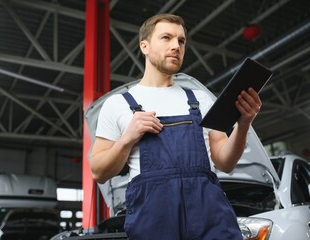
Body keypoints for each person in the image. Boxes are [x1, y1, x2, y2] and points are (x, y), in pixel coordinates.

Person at [89, 13, 262, 240]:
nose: (176, 46)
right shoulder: (118, 104)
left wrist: (243, 123)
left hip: (209, 215)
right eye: (166, 38)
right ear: (145, 46)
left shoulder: (201, 99)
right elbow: (98, 171)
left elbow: (225, 162)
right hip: (154, 219)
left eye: (181, 41)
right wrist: (127, 139)